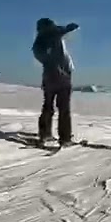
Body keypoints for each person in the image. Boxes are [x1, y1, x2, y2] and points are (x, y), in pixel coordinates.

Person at [32, 18, 79, 147]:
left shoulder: (39, 40)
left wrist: (48, 62)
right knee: (63, 108)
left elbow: (38, 55)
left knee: (48, 106)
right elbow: (60, 31)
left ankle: (45, 134)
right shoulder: (52, 34)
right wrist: (69, 28)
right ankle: (65, 138)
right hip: (62, 75)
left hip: (48, 76)